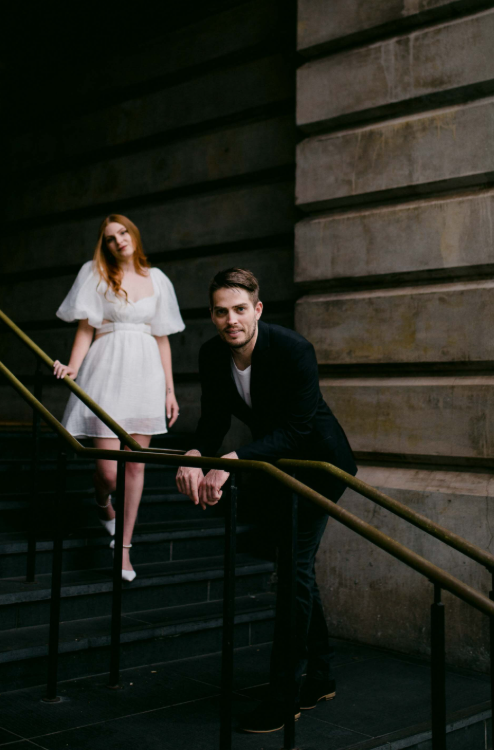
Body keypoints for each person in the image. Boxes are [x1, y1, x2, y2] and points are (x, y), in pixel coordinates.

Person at [175, 267, 357, 733]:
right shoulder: (212, 354)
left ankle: (283, 697)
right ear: (212, 315)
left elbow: (297, 428)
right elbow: (214, 418)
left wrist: (230, 462)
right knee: (297, 567)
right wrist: (195, 454)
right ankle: (319, 675)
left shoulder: (294, 349)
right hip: (276, 467)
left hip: (319, 465)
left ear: (257, 309)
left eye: (239, 309)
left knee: (293, 569)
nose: (230, 320)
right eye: (221, 311)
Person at [53, 214, 185, 582]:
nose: (118, 240)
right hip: (107, 371)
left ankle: (124, 550)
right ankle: (102, 502)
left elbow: (162, 337)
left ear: (134, 234)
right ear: (105, 245)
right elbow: (85, 328)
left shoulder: (157, 278)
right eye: (110, 237)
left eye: (123, 232)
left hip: (146, 376)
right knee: (108, 471)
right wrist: (74, 368)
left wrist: (170, 391)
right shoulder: (95, 273)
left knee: (136, 465)